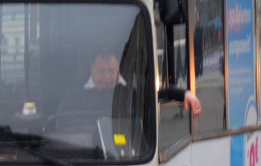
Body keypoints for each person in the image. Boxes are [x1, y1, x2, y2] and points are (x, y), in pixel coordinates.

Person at [58, 48, 202, 118]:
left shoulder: (132, 87)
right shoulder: (75, 91)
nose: (107, 77)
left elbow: (156, 93)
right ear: (91, 68)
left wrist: (185, 94)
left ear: (119, 68)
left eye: (111, 71)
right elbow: (61, 119)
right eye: (101, 72)